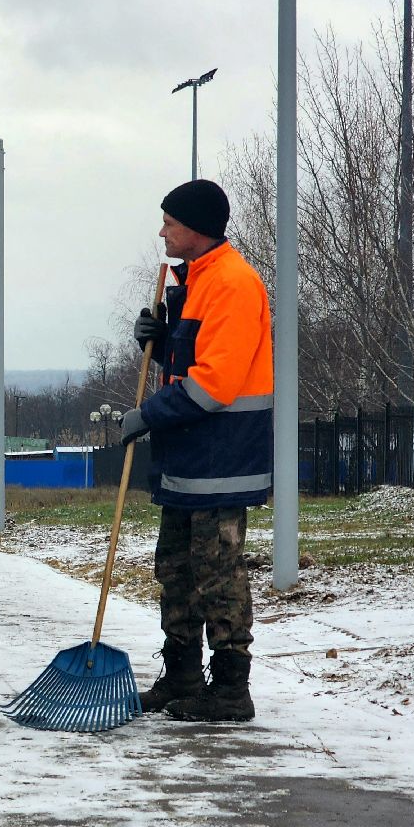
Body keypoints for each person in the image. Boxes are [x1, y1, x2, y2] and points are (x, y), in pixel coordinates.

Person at [119, 179, 273, 722]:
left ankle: (230, 688)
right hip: (188, 456)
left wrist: (147, 416)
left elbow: (214, 384)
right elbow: (188, 360)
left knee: (217, 571)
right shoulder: (193, 281)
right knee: (176, 567)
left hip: (220, 457)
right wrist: (158, 343)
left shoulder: (232, 283)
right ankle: (182, 674)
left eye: (170, 222)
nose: (162, 231)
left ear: (197, 228)